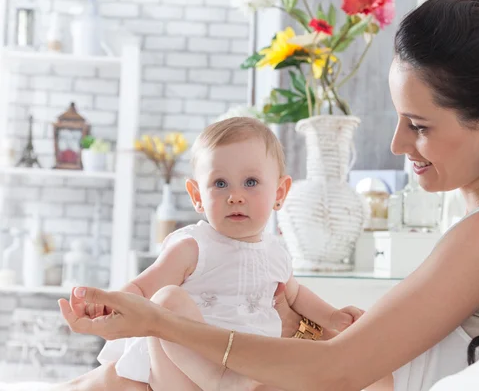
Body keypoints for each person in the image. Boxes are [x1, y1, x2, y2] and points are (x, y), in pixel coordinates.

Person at [57, 0, 479, 390]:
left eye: (419, 125)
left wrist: (159, 322)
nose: (395, 143)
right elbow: (360, 350)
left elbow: (341, 368)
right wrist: (309, 326)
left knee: (121, 370)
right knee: (106, 380)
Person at [80, 117, 363, 391]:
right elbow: (142, 288)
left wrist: (332, 317)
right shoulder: (193, 247)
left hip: (251, 373)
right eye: (220, 183)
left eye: (251, 182)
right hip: (181, 378)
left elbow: (295, 295)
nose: (235, 196)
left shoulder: (275, 253)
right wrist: (108, 305)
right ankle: (217, 378)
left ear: (279, 192)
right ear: (197, 196)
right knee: (166, 299)